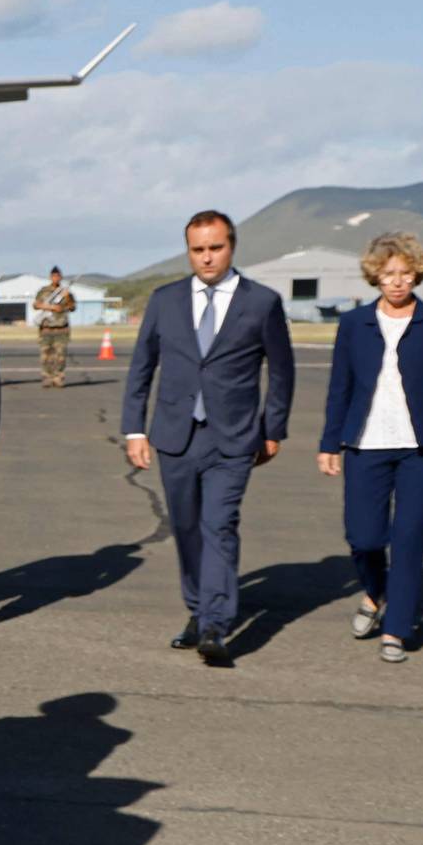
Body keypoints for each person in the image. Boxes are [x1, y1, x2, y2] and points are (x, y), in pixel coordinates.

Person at [122, 210, 295, 665]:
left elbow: (281, 372)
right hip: (175, 435)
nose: (207, 257)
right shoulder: (165, 300)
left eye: (215, 248)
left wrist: (273, 428)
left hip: (233, 438)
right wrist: (134, 429)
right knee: (185, 527)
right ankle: (198, 611)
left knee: (219, 524)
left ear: (231, 246)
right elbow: (141, 368)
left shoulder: (262, 302)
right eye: (197, 249)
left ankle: (216, 624)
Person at [316, 233, 423, 662]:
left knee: (409, 539)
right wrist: (329, 443)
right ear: (375, 275)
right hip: (365, 444)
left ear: (418, 275)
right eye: (389, 273)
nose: (397, 281)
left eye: (406, 273)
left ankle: (396, 629)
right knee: (364, 537)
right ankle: (376, 593)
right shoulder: (354, 324)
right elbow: (339, 388)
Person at [34, 266, 77, 388]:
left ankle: (58, 378)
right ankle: (47, 378)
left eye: (58, 276)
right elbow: (36, 305)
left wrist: (67, 297)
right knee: (45, 356)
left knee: (60, 356)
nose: (56, 278)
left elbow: (72, 307)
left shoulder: (66, 292)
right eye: (54, 276)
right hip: (46, 328)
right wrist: (51, 307)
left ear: (61, 277)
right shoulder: (43, 291)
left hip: (61, 328)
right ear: (50, 277)